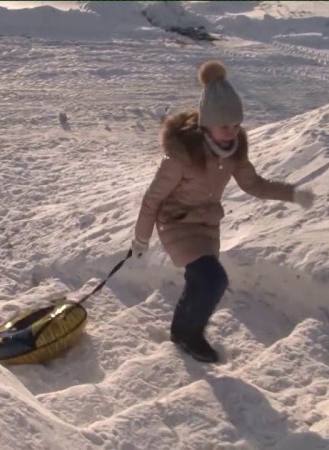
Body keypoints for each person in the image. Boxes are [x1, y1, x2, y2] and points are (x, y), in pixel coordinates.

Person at [131, 60, 315, 363]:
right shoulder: (182, 155)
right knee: (212, 278)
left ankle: (180, 330)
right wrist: (141, 238)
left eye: (236, 125)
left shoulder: (234, 151)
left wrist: (292, 194)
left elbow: (253, 184)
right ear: (207, 124)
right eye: (224, 125)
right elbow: (152, 199)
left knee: (200, 280)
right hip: (176, 223)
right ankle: (190, 335)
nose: (231, 132)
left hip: (206, 225)